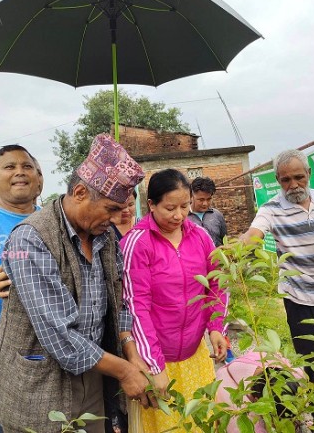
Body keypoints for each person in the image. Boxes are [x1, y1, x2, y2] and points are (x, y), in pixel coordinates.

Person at [0, 134, 152, 433]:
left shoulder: (104, 237)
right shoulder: (32, 237)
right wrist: (125, 371)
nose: (115, 218)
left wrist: (131, 354)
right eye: (109, 208)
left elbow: (117, 303)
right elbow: (60, 335)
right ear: (80, 192)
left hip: (95, 371)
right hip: (43, 381)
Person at [121, 168, 228, 433]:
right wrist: (155, 365)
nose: (179, 215)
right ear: (151, 205)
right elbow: (136, 306)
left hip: (195, 356)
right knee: (167, 424)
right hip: (157, 357)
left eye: (184, 206)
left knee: (201, 421)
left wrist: (216, 328)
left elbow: (216, 282)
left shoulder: (200, 236)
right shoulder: (138, 242)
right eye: (170, 208)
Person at [240, 149, 314, 361]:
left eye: (298, 177)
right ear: (277, 179)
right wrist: (233, 251)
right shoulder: (270, 209)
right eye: (285, 180)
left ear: (309, 173)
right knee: (312, 364)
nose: (293, 185)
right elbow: (253, 235)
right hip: (300, 301)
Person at [0, 144, 43, 326]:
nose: (20, 172)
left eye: (27, 166)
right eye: (9, 167)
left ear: (38, 179)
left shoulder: (54, 222)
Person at [187, 176, 228, 247]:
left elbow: (224, 241)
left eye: (208, 199)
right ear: (191, 196)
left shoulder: (217, 215)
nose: (205, 203)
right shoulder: (184, 217)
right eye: (201, 200)